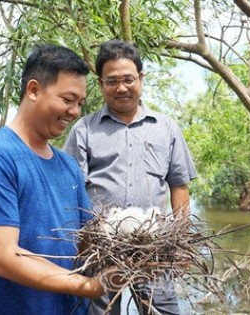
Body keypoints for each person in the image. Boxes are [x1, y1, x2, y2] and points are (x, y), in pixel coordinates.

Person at [0, 44, 122, 315]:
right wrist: (91, 286)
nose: (75, 112)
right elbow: (3, 258)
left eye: (80, 103)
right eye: (67, 100)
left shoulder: (68, 166)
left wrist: (130, 249)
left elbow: (85, 239)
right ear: (33, 90)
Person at [63, 39, 197, 314]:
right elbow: (71, 193)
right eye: (112, 81)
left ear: (141, 79)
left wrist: (181, 241)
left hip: (154, 245)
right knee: (99, 311)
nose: (121, 88)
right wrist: (81, 246)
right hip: (100, 247)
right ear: (100, 84)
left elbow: (178, 186)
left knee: (162, 310)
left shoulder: (166, 127)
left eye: (128, 79)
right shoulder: (84, 130)